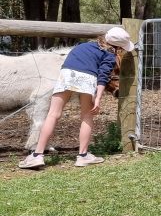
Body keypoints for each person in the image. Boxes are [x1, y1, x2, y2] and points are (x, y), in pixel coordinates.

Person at [18, 27, 135, 169]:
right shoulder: (110, 55)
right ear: (118, 47)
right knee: (87, 116)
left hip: (66, 74)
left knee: (53, 114)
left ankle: (37, 155)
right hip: (87, 78)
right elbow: (103, 77)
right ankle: (83, 156)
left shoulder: (82, 45)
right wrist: (98, 98)